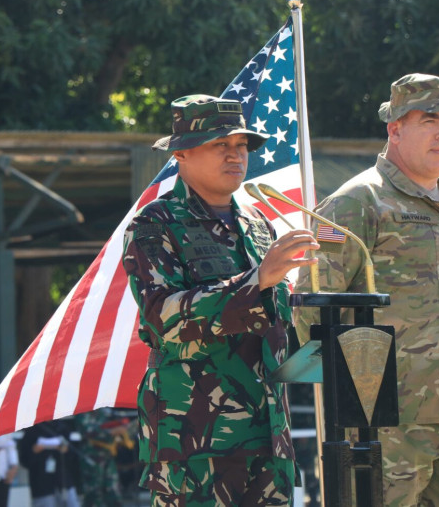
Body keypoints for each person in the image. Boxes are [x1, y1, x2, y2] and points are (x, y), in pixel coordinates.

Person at [294, 73, 439, 507]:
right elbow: (311, 310)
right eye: (429, 119)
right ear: (395, 129)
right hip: (385, 425)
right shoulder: (357, 201)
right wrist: (360, 399)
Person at [122, 94, 319, 506]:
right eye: (220, 145)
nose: (236, 156)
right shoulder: (155, 224)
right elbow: (162, 319)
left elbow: (275, 322)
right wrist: (256, 281)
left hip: (268, 436)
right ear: (182, 154)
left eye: (242, 146)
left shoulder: (258, 225)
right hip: (198, 444)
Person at [18, 417, 82, 507]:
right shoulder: (31, 430)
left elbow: (73, 456)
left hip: (63, 480)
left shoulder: (62, 427)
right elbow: (24, 461)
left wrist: (65, 450)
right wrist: (34, 451)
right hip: (41, 483)